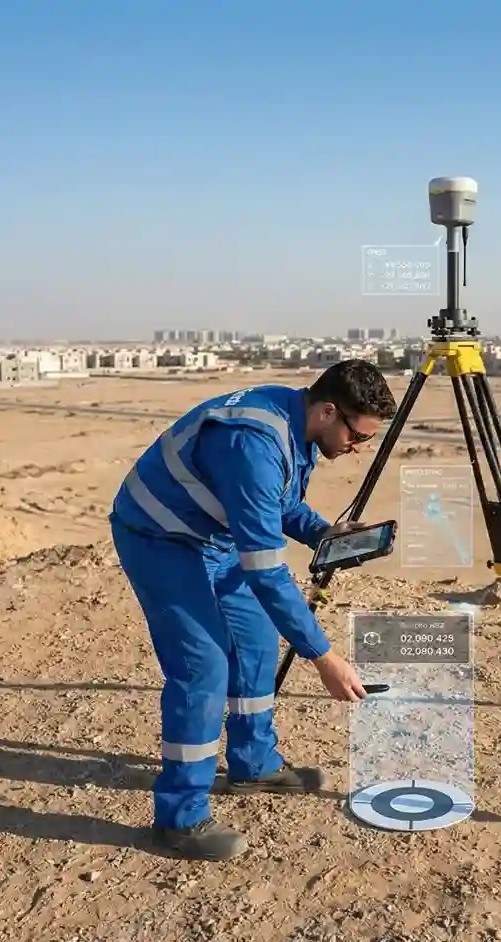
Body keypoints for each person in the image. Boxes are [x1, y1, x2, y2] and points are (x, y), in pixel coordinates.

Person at [109, 359, 399, 860]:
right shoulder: (252, 443)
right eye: (358, 436)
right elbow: (267, 571)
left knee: (257, 644)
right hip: (161, 538)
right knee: (204, 668)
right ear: (330, 411)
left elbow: (276, 503)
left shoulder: (292, 418)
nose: (358, 449)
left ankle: (253, 763)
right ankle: (180, 818)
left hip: (215, 539)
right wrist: (323, 657)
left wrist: (323, 534)